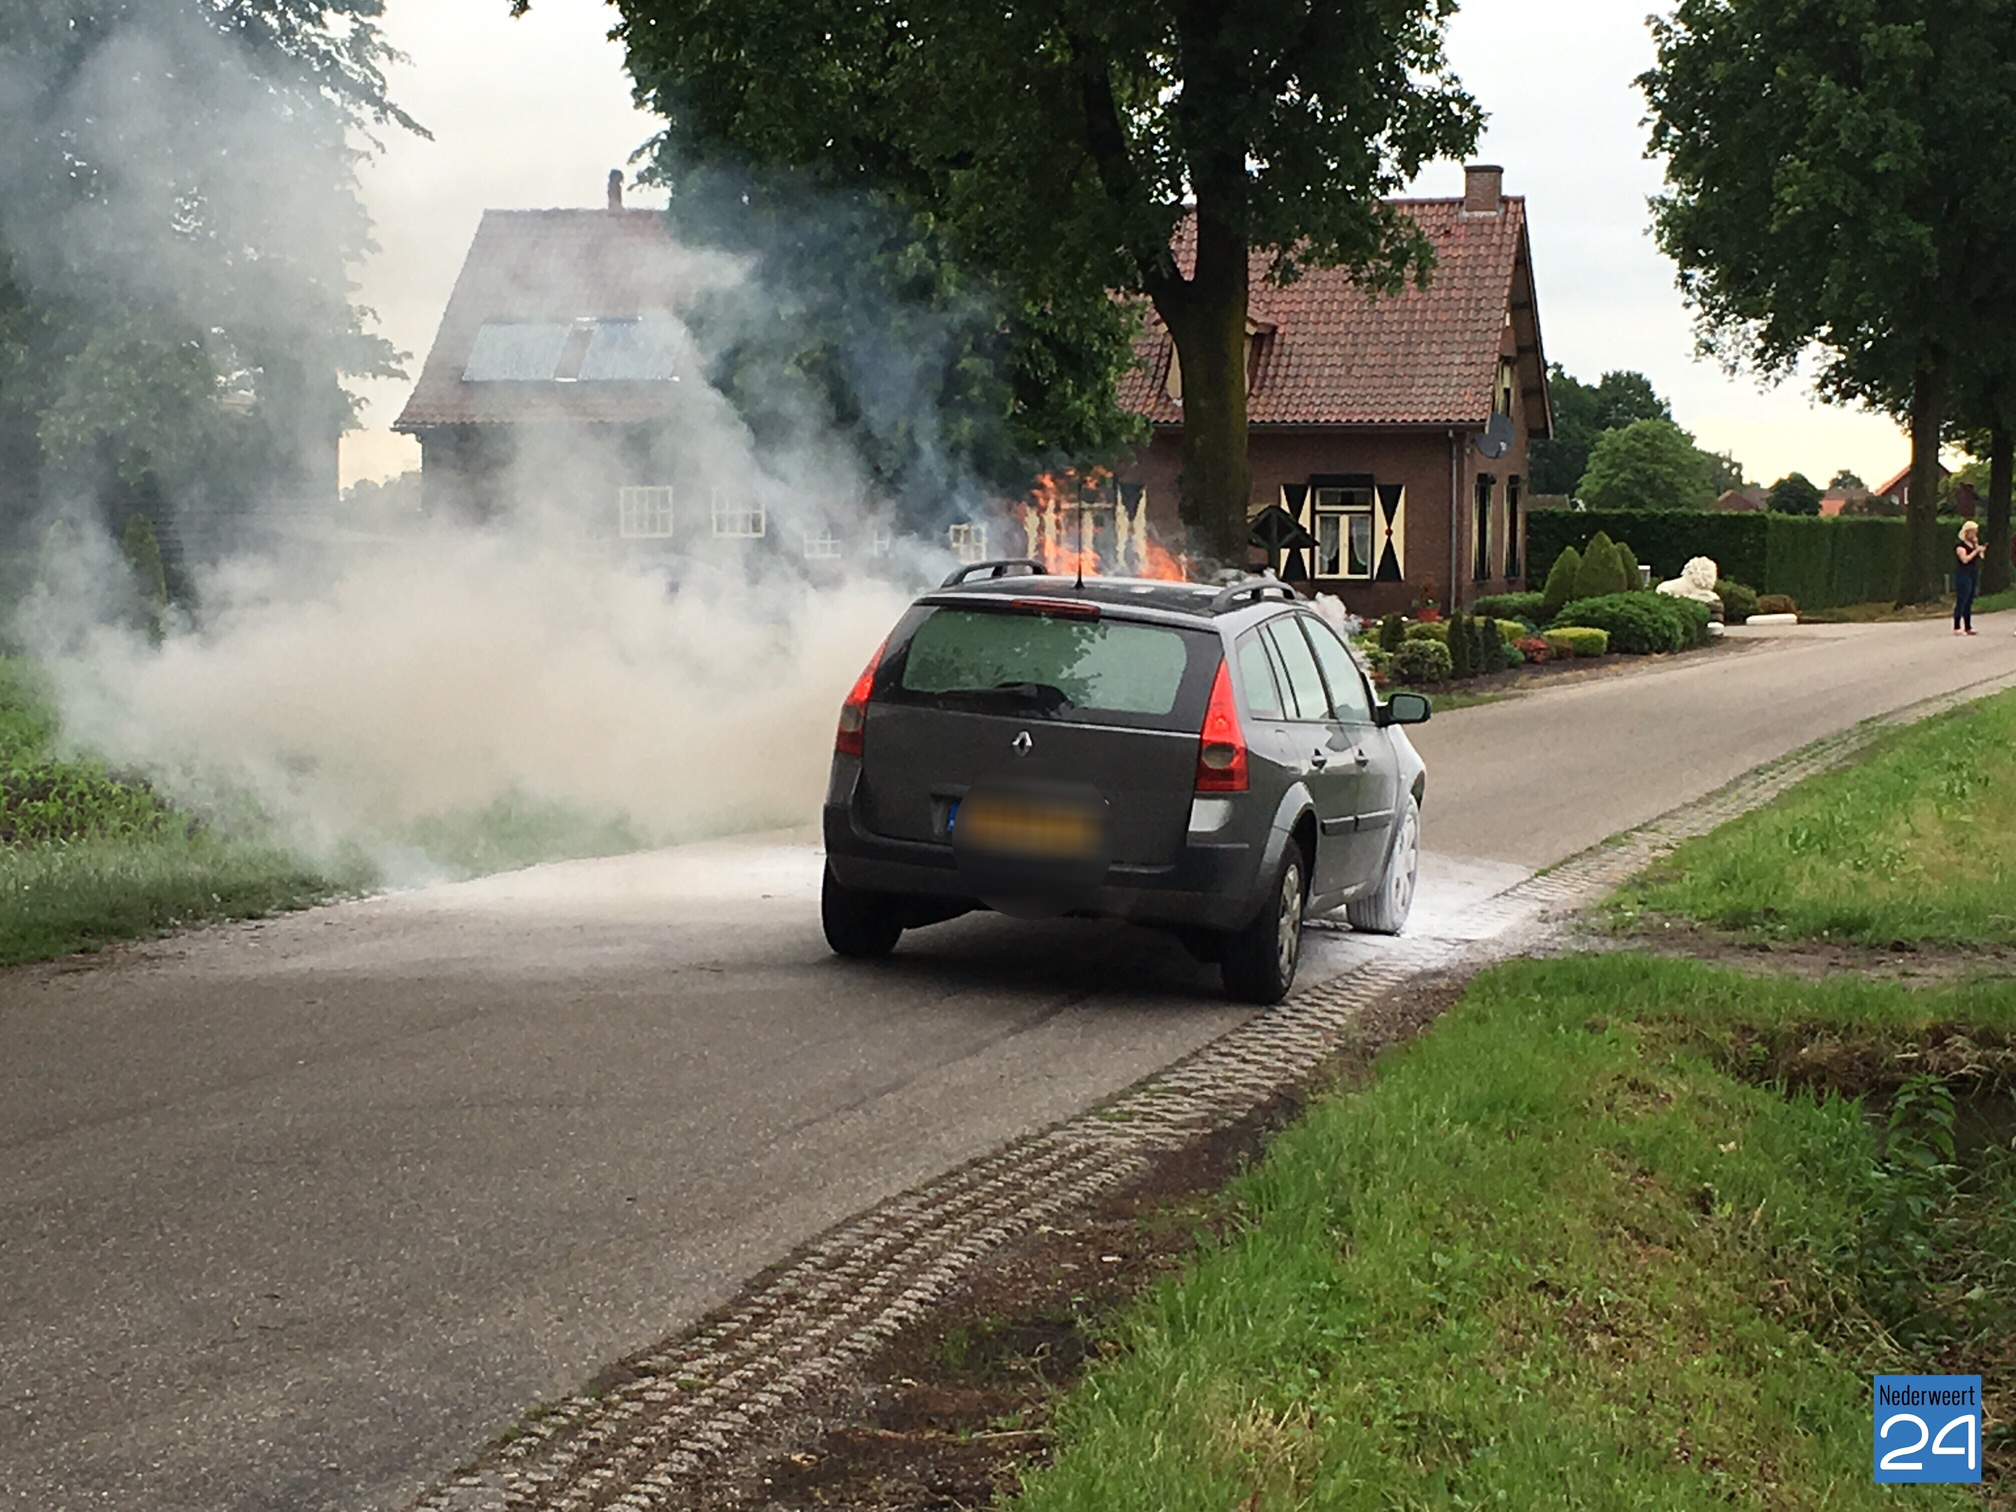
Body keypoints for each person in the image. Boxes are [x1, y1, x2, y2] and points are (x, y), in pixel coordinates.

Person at [1954, 520, 1988, 635]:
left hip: (1973, 573)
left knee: (1970, 600)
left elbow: (1981, 557)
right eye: (1973, 532)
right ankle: (1957, 626)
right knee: (1962, 600)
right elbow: (1965, 559)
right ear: (1967, 532)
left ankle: (1968, 626)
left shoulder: (1973, 545)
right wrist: (1975, 551)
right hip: (1963, 574)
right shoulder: (1960, 546)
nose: (1975, 534)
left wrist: (1978, 548)